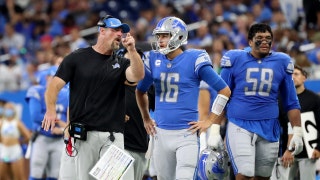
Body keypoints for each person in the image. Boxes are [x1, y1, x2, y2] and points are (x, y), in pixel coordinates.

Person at [41, 15, 144, 180]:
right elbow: (54, 86)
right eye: (115, 30)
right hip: (84, 136)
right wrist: (51, 110)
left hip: (113, 137)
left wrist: (132, 50)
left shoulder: (121, 63)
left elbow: (138, 76)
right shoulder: (77, 58)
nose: (120, 34)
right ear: (102, 31)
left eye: (121, 31)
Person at [135, 16, 231, 180]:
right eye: (159, 36)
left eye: (164, 36)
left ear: (178, 36)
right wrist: (145, 118)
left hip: (186, 134)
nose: (160, 40)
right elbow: (140, 90)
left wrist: (209, 121)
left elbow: (224, 90)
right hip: (161, 133)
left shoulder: (194, 58)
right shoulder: (154, 59)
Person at [219, 23, 304, 180]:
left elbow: (291, 102)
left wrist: (297, 132)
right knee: (245, 174)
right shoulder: (235, 59)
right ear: (250, 41)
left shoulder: (282, 61)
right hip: (240, 123)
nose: (265, 42)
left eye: (268, 38)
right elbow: (221, 96)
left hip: (269, 126)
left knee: (263, 176)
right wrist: (214, 127)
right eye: (260, 38)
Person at [272, 65, 320, 180]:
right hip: (287, 152)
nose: (293, 77)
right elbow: (278, 125)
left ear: (304, 77)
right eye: (291, 75)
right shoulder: (281, 99)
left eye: (296, 74)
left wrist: (318, 147)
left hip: (308, 151)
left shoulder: (314, 99)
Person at [26, 60, 69, 180]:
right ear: (47, 77)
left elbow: (72, 120)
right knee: (36, 172)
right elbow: (35, 116)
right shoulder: (37, 91)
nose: (56, 81)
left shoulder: (66, 94)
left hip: (59, 139)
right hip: (42, 137)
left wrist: (61, 129)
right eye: (54, 77)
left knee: (55, 174)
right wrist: (56, 125)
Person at [116, 47, 152, 180]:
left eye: (137, 61)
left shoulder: (149, 89)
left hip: (141, 147)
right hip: (118, 147)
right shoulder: (111, 86)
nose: (134, 65)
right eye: (129, 61)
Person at [0, 101, 31, 180]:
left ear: (14, 110)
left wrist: (21, 142)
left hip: (15, 152)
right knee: (2, 176)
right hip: (5, 152)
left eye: (10, 109)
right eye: (7, 109)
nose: (8, 110)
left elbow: (28, 136)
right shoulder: (2, 123)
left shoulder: (17, 123)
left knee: (19, 177)